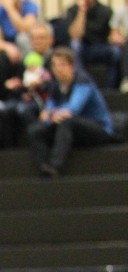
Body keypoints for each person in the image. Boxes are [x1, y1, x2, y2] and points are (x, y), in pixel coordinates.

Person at [26, 46, 115, 178]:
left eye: (62, 65)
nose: (58, 69)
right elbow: (47, 111)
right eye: (55, 65)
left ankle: (55, 166)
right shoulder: (55, 85)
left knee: (66, 122)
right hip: (70, 128)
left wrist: (52, 114)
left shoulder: (82, 81)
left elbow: (73, 109)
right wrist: (51, 115)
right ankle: (43, 167)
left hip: (97, 127)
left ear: (72, 66)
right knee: (35, 130)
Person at [66, 0, 119, 90]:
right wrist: (82, 11)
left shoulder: (106, 10)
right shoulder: (72, 11)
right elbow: (75, 35)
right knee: (75, 45)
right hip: (83, 48)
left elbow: (112, 34)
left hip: (101, 46)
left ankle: (111, 89)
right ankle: (82, 84)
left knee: (116, 51)